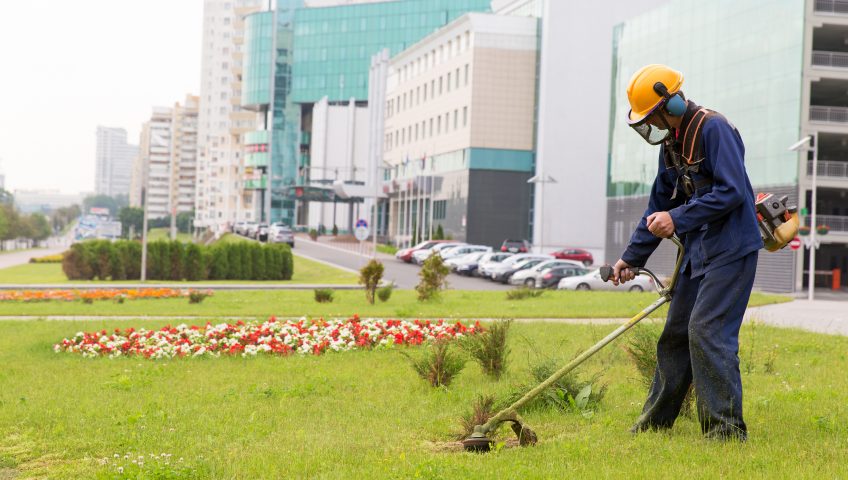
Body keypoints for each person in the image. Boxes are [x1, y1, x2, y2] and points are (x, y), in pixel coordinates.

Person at [612, 64, 763, 441]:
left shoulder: (714, 128)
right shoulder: (672, 143)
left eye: (653, 115)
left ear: (671, 102)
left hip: (731, 249)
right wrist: (631, 258)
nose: (652, 124)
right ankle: (655, 424)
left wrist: (677, 219)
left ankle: (725, 433)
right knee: (677, 333)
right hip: (699, 253)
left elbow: (732, 192)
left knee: (707, 331)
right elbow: (657, 206)